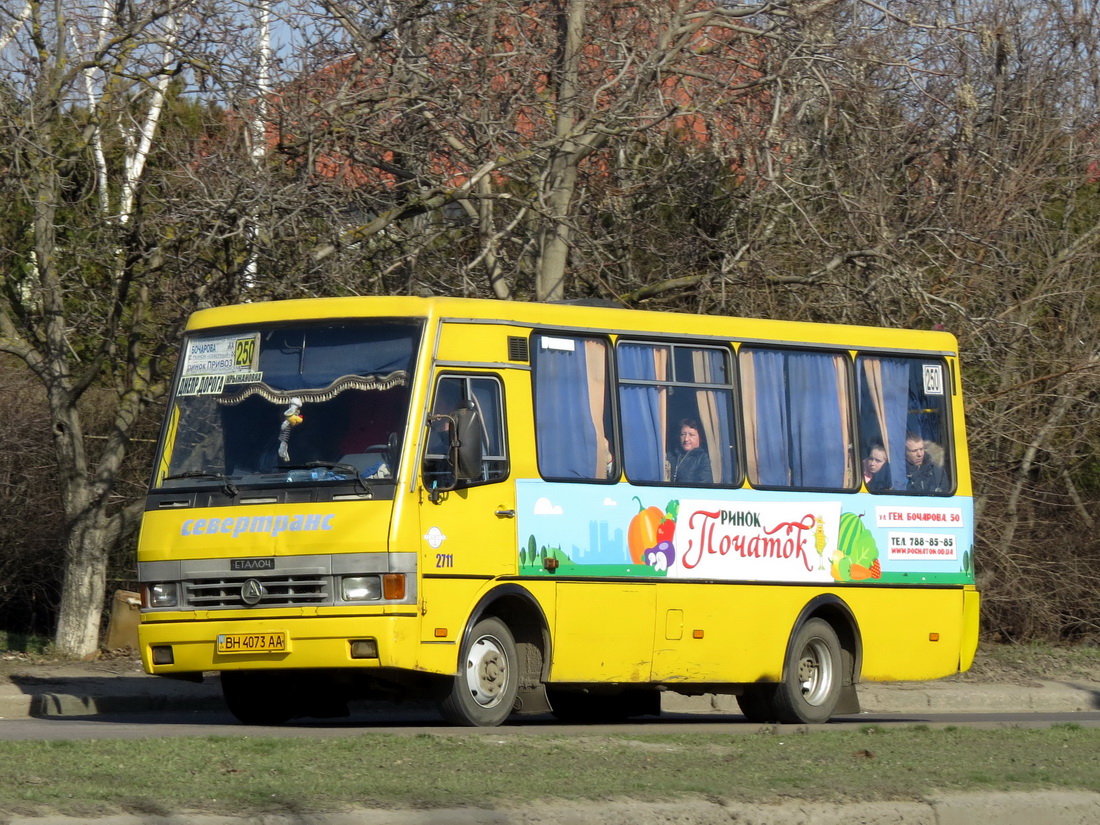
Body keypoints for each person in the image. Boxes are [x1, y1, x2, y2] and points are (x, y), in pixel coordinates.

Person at [667, 418, 712, 484]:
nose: (686, 439)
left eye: (691, 435)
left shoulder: (703, 458)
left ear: (700, 437)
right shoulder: (672, 455)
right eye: (683, 434)